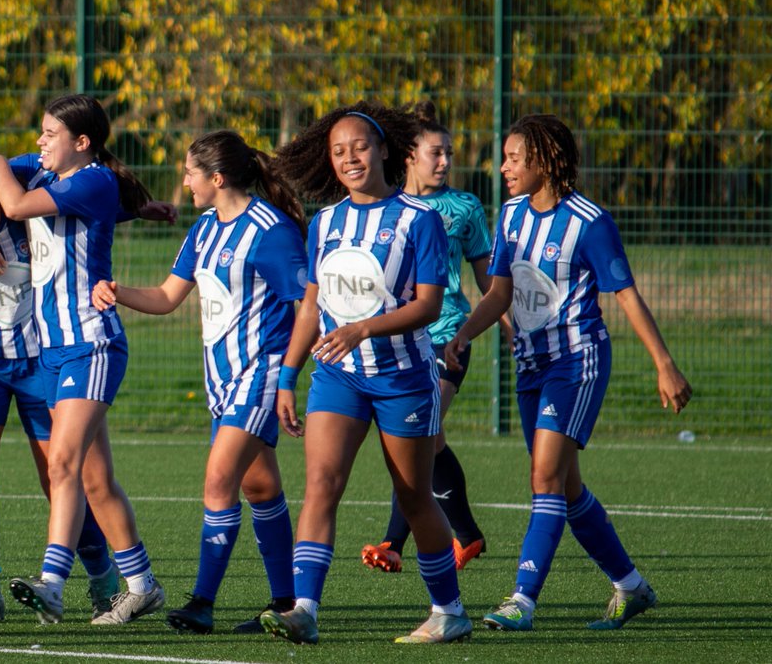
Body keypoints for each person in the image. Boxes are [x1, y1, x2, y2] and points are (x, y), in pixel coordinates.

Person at [445, 113, 692, 632]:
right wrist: (465, 332)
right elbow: (500, 293)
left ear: (543, 159)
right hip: (531, 365)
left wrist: (664, 364)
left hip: (577, 361)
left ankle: (522, 600)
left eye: (513, 158)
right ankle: (630, 586)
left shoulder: (589, 221)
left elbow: (625, 294)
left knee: (544, 478)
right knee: (567, 488)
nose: (503, 167)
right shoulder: (510, 214)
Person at [263, 100, 471, 645]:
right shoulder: (326, 222)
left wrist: (363, 328)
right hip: (337, 377)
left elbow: (428, 305)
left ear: (383, 150)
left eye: (359, 146)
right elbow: (311, 304)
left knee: (413, 497)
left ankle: (449, 611)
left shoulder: (418, 219)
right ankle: (305, 609)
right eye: (338, 151)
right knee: (321, 486)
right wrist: (287, 376)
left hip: (403, 377)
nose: (349, 158)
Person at [0, 93, 165, 625]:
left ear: (82, 142)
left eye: (49, 133)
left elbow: (16, 203)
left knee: (61, 463)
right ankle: (141, 585)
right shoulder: (48, 169)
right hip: (54, 349)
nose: (38, 142)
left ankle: (52, 582)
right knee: (95, 480)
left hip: (90, 341)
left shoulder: (94, 178)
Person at [91, 130, 304, 635]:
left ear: (217, 176)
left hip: (260, 373)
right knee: (259, 485)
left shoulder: (270, 230)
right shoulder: (205, 227)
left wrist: (291, 377)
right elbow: (168, 297)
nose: (183, 181)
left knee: (218, 481)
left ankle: (202, 603)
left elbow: (307, 304)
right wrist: (118, 291)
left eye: (189, 172)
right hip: (221, 380)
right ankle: (286, 602)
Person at [0, 159, 123, 624]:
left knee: (60, 477)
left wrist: (144, 208)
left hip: (42, 363)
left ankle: (102, 577)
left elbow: (95, 202)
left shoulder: (32, 215)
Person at [360, 101, 506, 574]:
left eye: (448, 153)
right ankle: (468, 534)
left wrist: (511, 332)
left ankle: (392, 541)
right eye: (435, 153)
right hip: (397, 342)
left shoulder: (464, 208)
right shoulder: (386, 207)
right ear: (407, 156)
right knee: (426, 437)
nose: (445, 162)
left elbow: (490, 285)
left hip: (447, 337)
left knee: (422, 434)